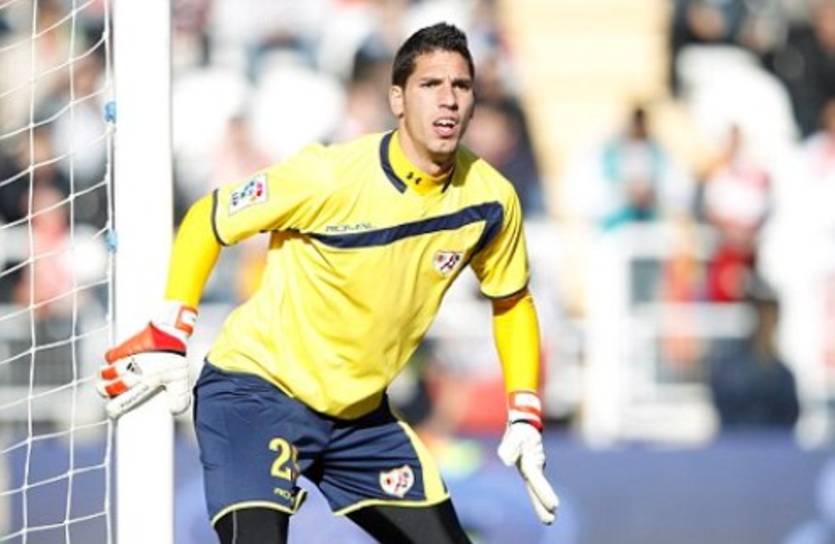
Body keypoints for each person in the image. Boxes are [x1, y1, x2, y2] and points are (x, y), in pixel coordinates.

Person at [96, 23, 558, 544]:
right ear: (397, 99)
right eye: (431, 85)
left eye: (461, 86)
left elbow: (511, 300)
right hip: (257, 393)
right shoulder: (329, 175)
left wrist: (524, 413)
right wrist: (171, 329)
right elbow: (209, 217)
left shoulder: (490, 199)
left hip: (360, 420)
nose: (448, 100)